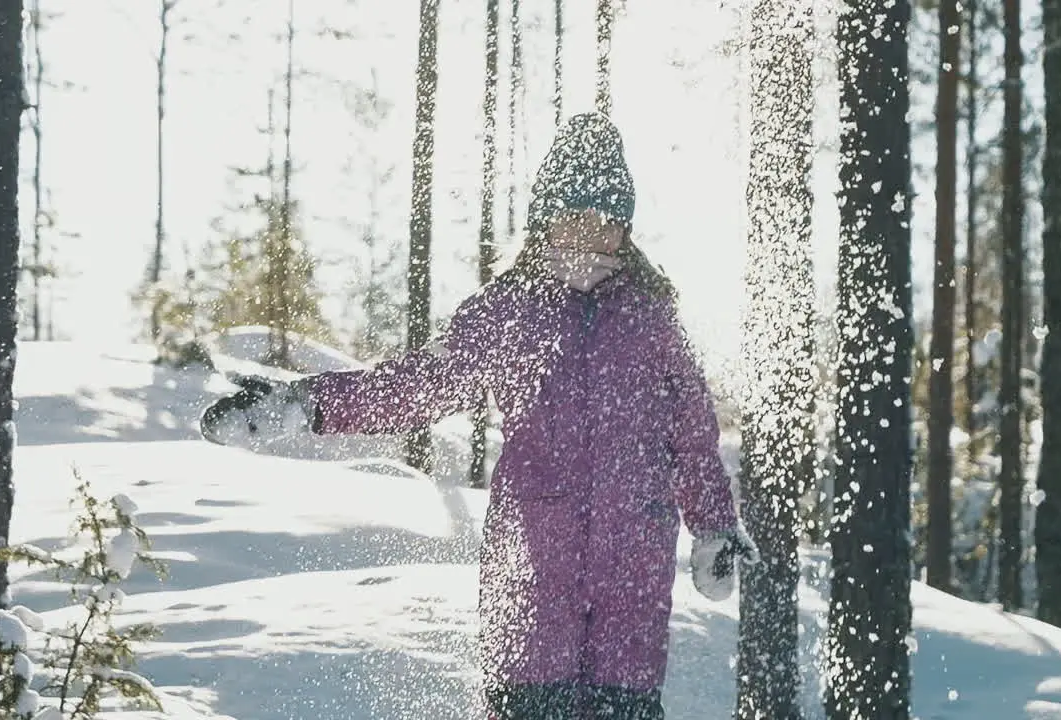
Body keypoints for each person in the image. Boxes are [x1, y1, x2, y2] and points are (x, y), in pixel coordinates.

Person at [200, 112, 759, 720]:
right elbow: (419, 387)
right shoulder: (511, 310)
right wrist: (307, 405)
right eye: (574, 211)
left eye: (604, 216)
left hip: (633, 571)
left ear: (625, 228)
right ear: (546, 217)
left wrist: (712, 525)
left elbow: (693, 437)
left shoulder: (652, 319)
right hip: (533, 564)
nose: (587, 229)